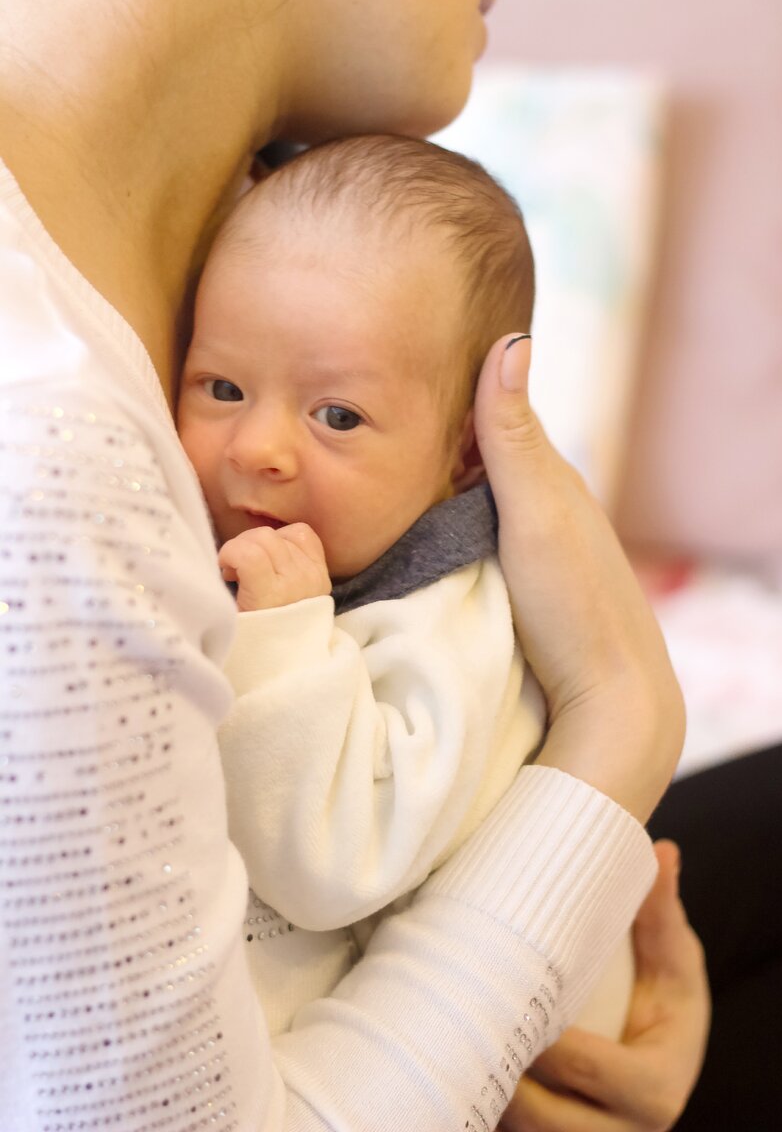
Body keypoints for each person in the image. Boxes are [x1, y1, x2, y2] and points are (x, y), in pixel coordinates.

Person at [0, 0, 708, 1129]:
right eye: (221, 389)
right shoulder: (58, 453)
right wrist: (618, 721)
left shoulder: (261, 208)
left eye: (335, 412)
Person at [177, 132, 635, 1041]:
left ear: (465, 452)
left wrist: (286, 641)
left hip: (534, 1044)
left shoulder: (449, 615)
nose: (256, 448)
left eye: (337, 415)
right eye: (221, 386)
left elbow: (338, 858)